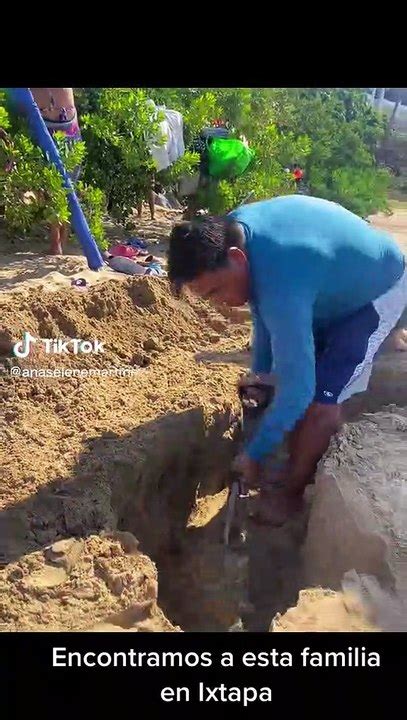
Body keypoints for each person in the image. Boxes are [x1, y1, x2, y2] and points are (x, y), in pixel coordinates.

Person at [167, 195, 407, 525]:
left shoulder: (281, 275)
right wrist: (261, 376)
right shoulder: (233, 235)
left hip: (380, 289)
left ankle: (292, 497)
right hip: (329, 281)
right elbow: (262, 309)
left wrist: (255, 454)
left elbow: (299, 390)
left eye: (215, 292)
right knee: (289, 377)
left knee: (319, 402)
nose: (218, 305)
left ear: (236, 259)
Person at [31, 88, 82, 255]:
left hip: (49, 121)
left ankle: (56, 244)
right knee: (67, 185)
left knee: (53, 185)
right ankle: (61, 240)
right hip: (69, 121)